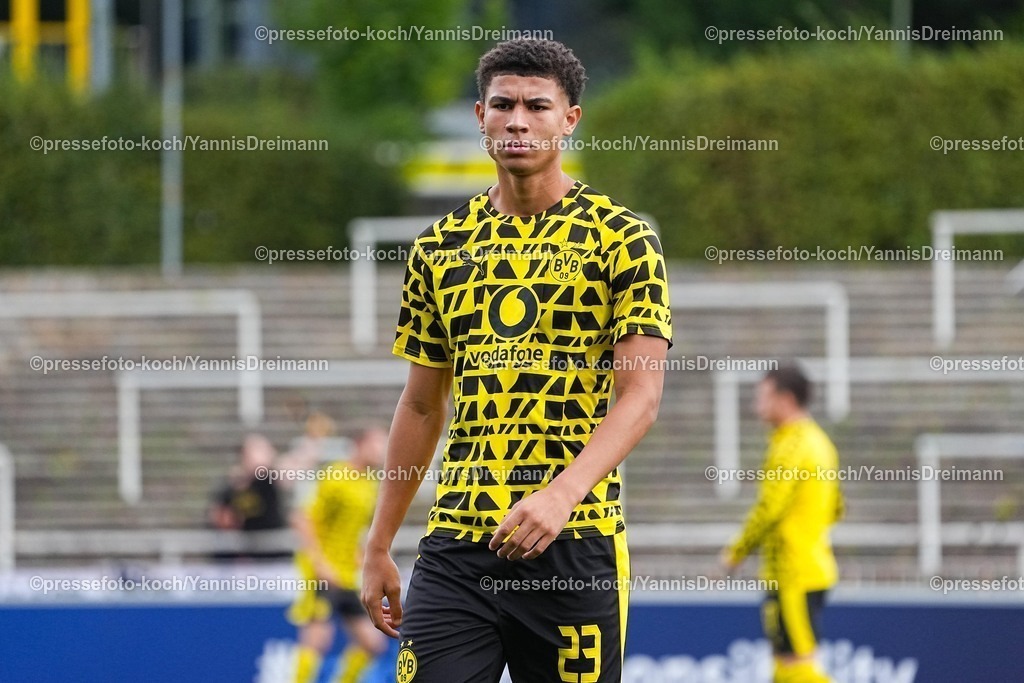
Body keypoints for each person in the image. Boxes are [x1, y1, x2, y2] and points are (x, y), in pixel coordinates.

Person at [361, 39, 673, 683]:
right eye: (502, 105)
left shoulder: (624, 239)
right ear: (480, 116)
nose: (518, 120)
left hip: (573, 542)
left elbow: (639, 397)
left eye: (537, 105)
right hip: (457, 547)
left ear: (570, 119)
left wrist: (562, 494)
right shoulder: (439, 248)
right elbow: (421, 404)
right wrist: (378, 540)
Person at [720, 364, 844, 683]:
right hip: (812, 564)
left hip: (793, 573)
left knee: (798, 667)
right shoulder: (819, 441)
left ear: (785, 399)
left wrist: (737, 551)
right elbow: (836, 507)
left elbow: (769, 508)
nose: (756, 405)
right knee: (784, 664)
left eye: (762, 397)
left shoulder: (792, 445)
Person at [289, 427, 390, 683]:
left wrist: (362, 559)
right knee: (317, 639)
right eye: (377, 443)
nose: (382, 450)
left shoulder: (368, 485)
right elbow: (303, 519)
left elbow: (350, 531)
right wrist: (319, 562)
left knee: (372, 643)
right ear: (359, 444)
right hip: (322, 571)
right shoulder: (335, 476)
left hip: (346, 574)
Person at [207, 434, 286, 560]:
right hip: (240, 560)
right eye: (260, 450)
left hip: (271, 556)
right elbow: (221, 518)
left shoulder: (269, 482)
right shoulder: (230, 487)